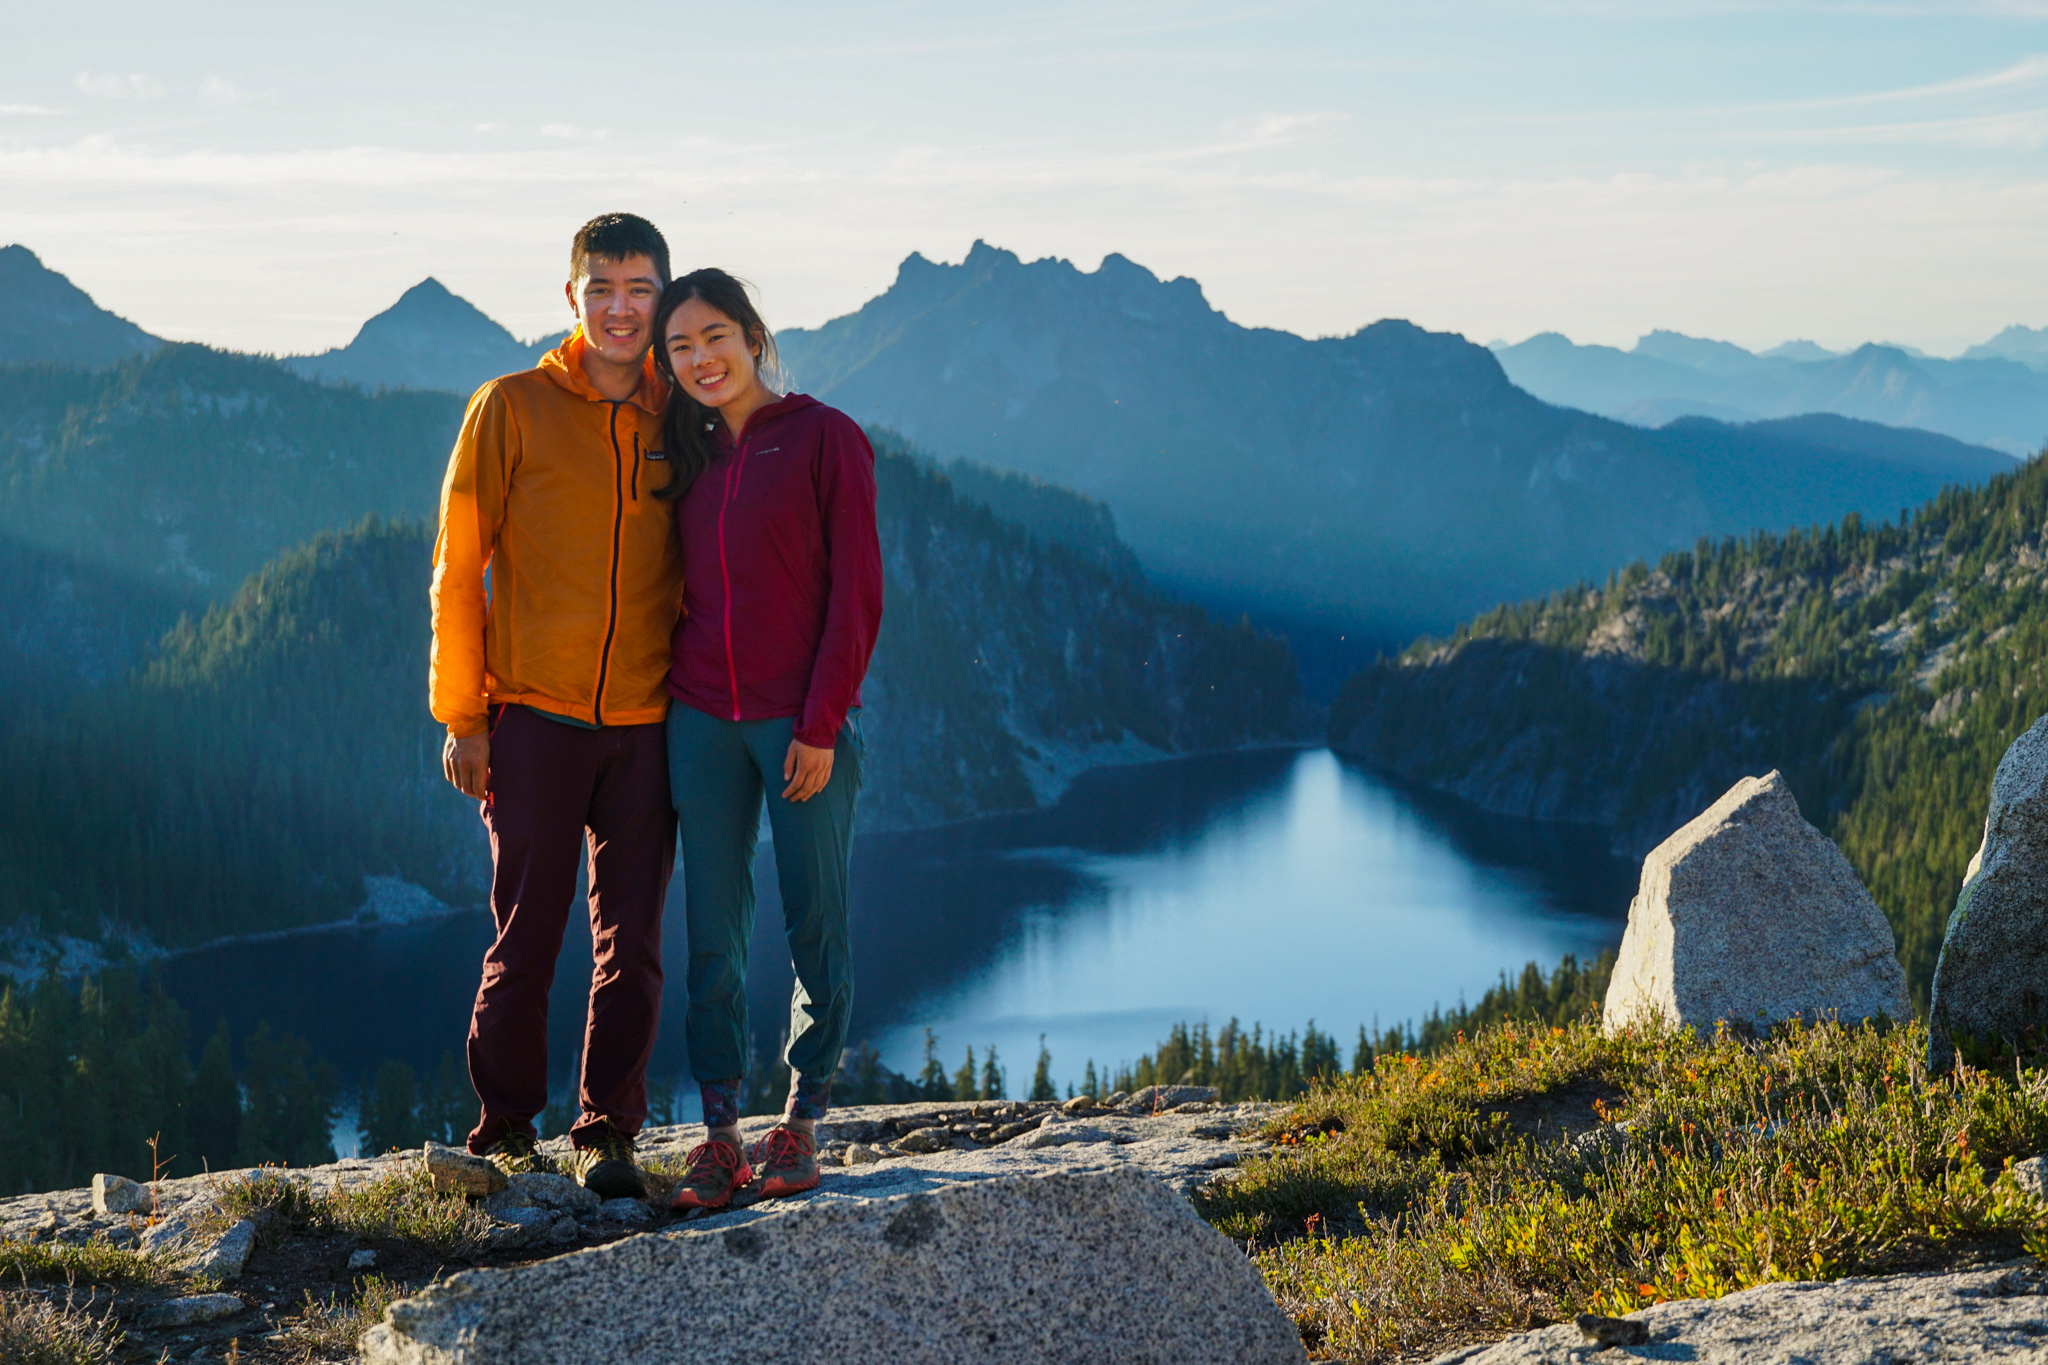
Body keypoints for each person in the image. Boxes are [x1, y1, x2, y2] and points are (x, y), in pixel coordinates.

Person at [429, 213, 682, 1199]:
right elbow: (459, 569)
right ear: (569, 297)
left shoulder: (682, 418)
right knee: (524, 936)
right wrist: (463, 716)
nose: (621, 308)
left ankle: (610, 1132)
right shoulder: (512, 406)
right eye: (602, 288)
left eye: (641, 290)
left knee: (635, 944)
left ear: (662, 298)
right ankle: (503, 1132)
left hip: (649, 725)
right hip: (532, 718)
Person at [650, 269, 883, 1210]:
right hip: (699, 718)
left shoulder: (826, 437)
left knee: (814, 918)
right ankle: (718, 1134)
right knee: (712, 928)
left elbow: (857, 595)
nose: (701, 359)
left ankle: (802, 1120)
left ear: (753, 336)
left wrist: (822, 723)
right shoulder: (687, 453)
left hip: (799, 721)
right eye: (680, 348)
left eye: (714, 337)